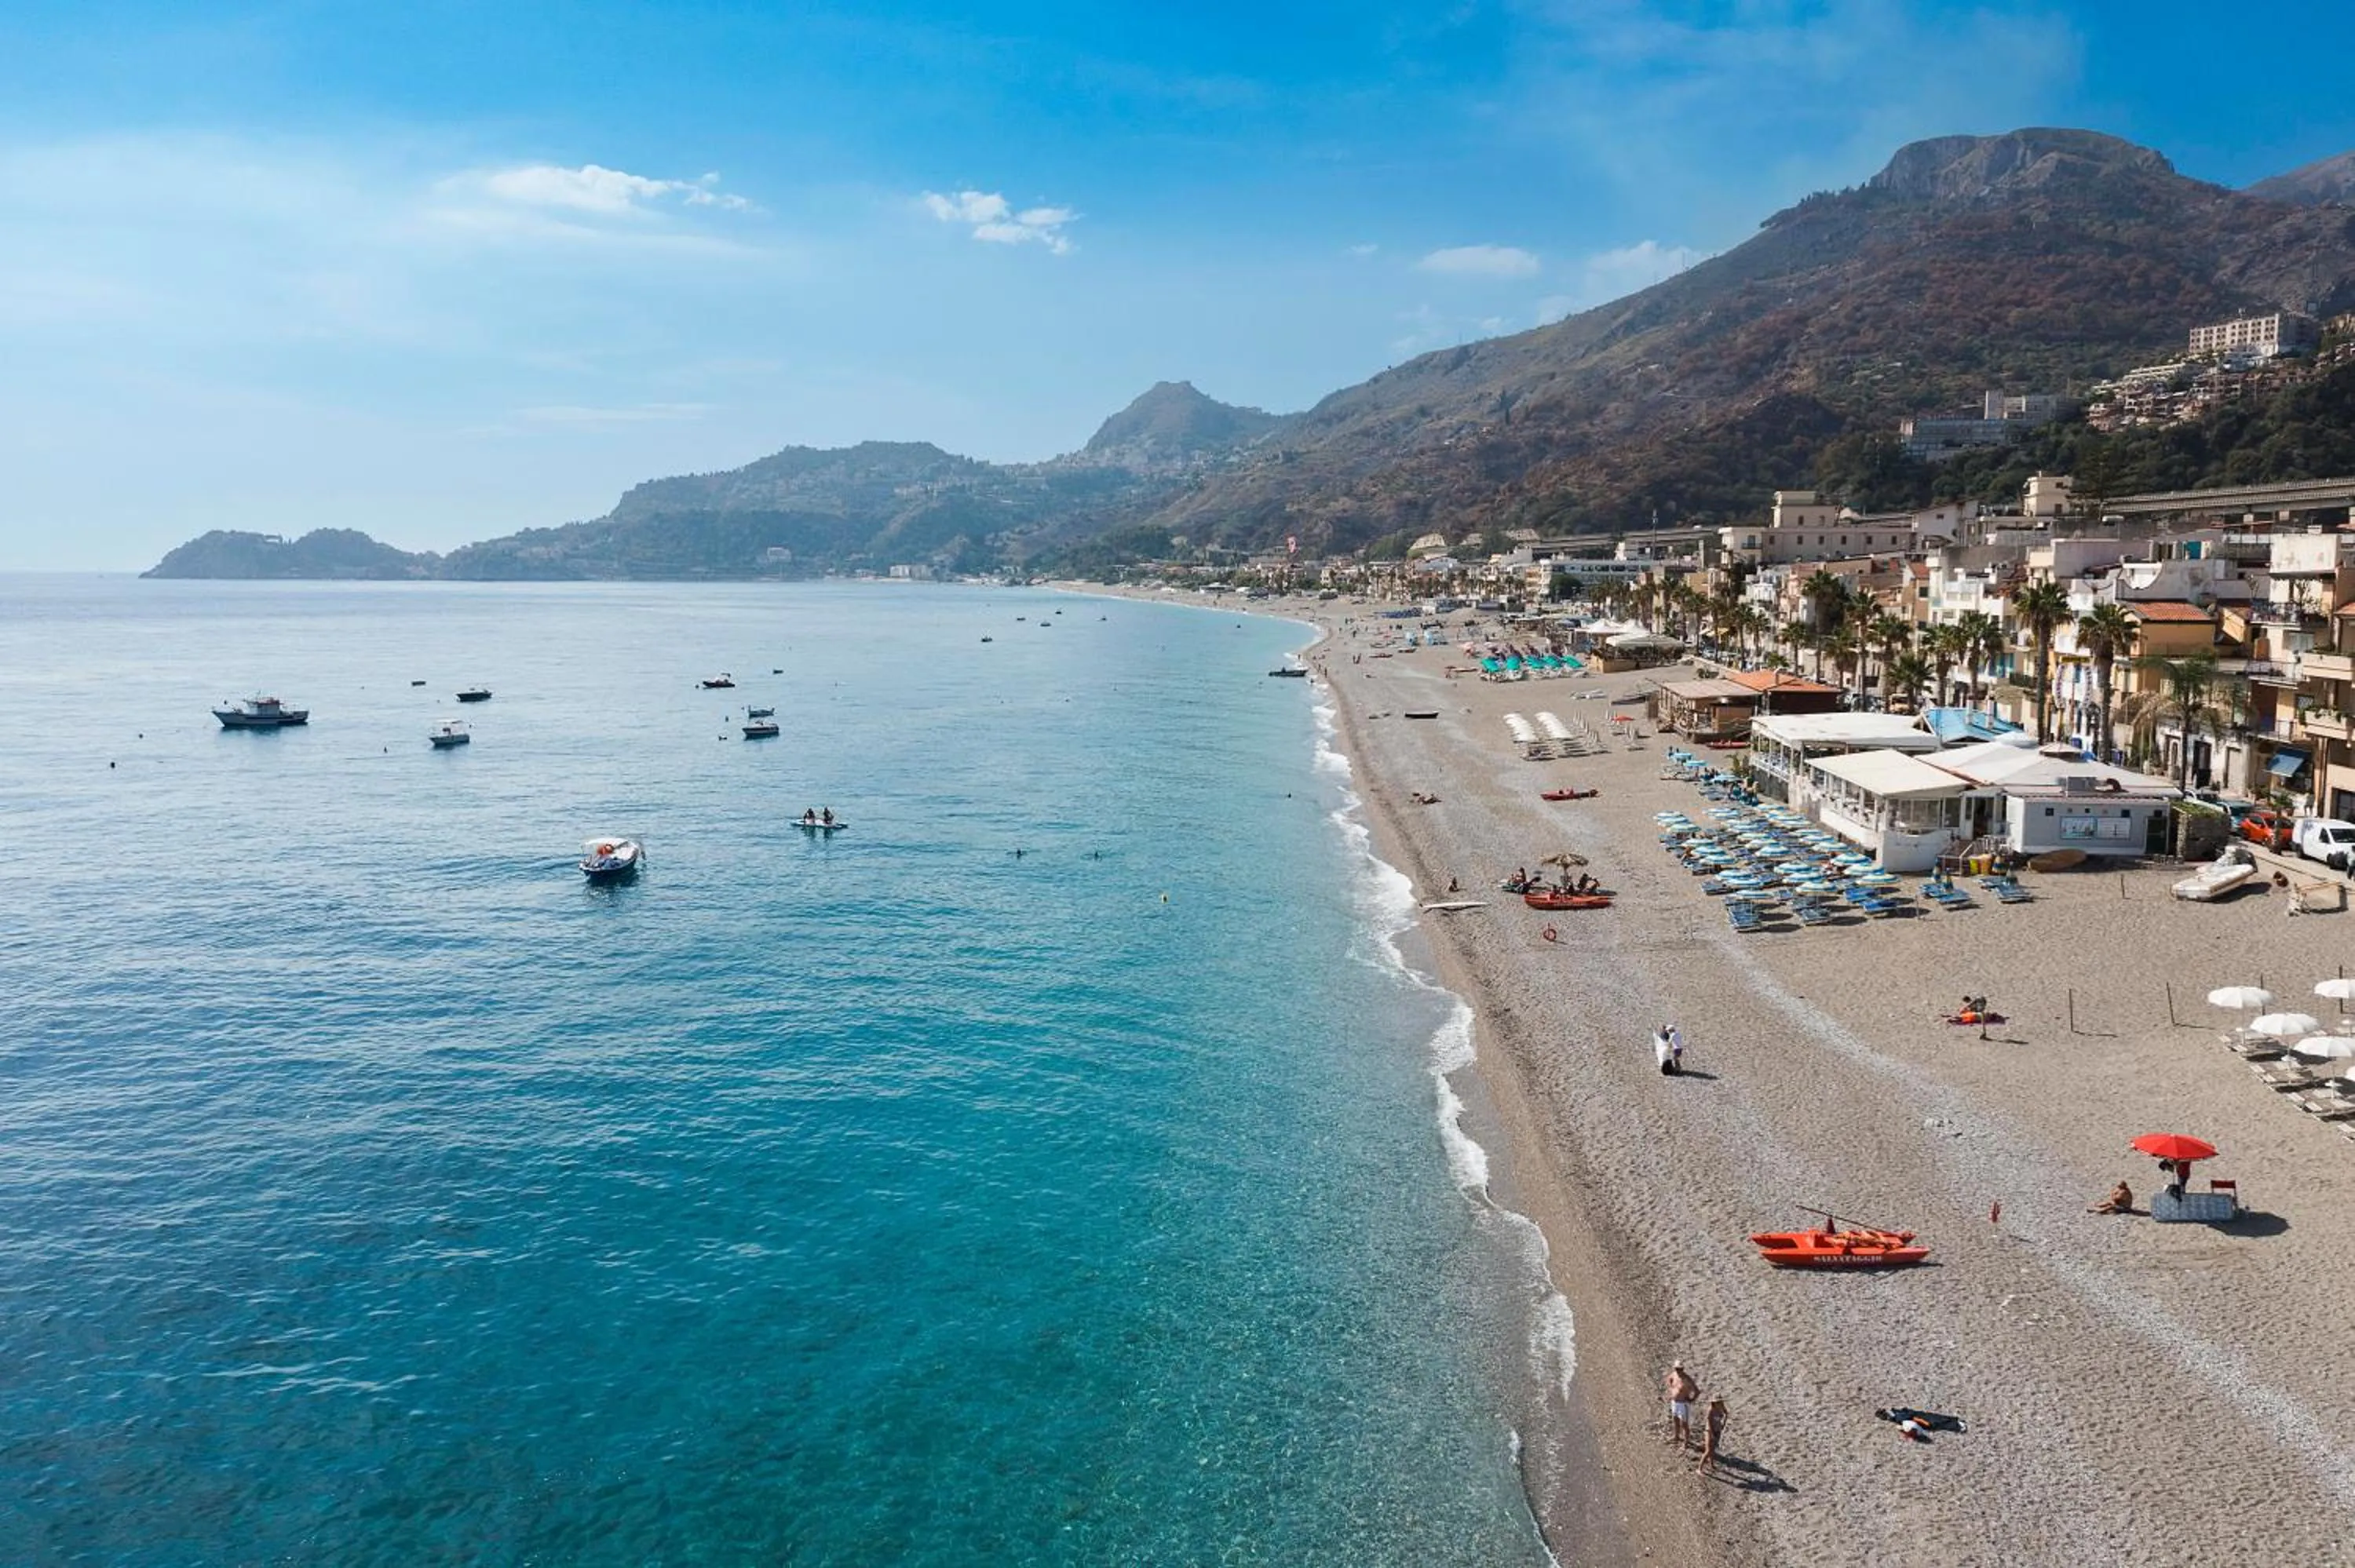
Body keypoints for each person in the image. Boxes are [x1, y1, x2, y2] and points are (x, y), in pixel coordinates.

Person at [1665, 1362, 1698, 1449]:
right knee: (1675, 1419)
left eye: (1680, 1369)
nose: (1679, 1371)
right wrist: (1671, 1391)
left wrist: (1691, 1399)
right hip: (1675, 1402)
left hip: (1683, 1404)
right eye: (1677, 1369)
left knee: (1684, 1424)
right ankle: (1676, 1436)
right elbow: (1669, 1380)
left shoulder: (1687, 1379)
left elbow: (1697, 1391)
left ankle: (1686, 1442)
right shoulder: (1674, 1375)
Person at [1698, 1396, 1728, 1475]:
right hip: (1710, 1431)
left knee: (1713, 1449)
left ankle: (1711, 1464)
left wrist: (1723, 1424)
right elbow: (1709, 1422)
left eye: (1720, 1402)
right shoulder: (1711, 1410)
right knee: (1708, 1450)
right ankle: (1699, 1468)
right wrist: (1712, 1434)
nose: (1719, 1403)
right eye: (1718, 1402)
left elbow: (1726, 1414)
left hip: (1717, 1430)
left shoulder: (1722, 1407)